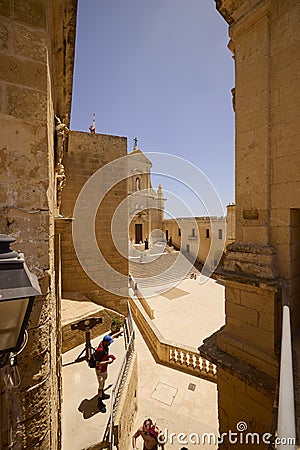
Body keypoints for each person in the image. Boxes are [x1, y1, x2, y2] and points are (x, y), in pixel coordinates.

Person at [95, 334, 117, 412]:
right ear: (105, 342)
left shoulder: (104, 345)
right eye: (109, 342)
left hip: (104, 369)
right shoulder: (100, 351)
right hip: (100, 370)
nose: (110, 344)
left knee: (104, 381)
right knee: (101, 386)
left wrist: (120, 331)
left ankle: (103, 394)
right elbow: (97, 363)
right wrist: (109, 361)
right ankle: (99, 403)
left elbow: (112, 336)